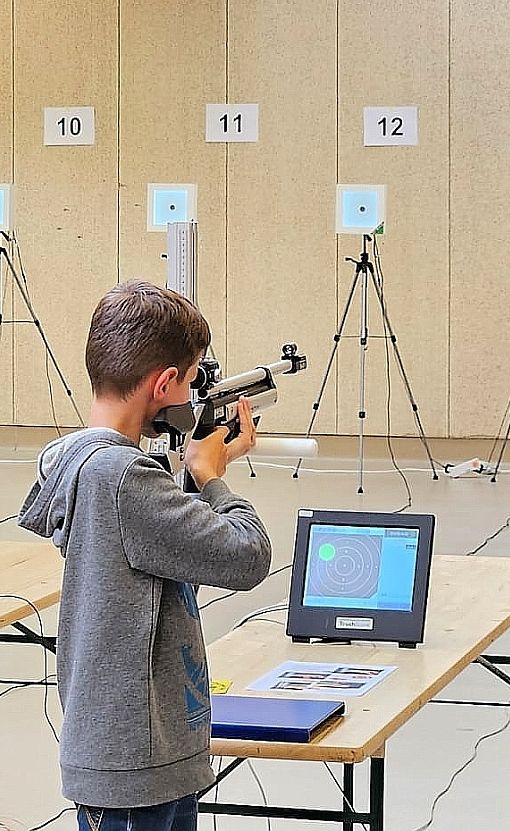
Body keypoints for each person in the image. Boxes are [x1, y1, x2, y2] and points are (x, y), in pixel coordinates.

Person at [18, 280, 271, 831]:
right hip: (136, 769)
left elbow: (167, 552)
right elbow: (248, 556)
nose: (191, 397)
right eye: (189, 381)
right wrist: (211, 476)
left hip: (142, 758)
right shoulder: (122, 476)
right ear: (162, 384)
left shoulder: (86, 464)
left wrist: (192, 474)